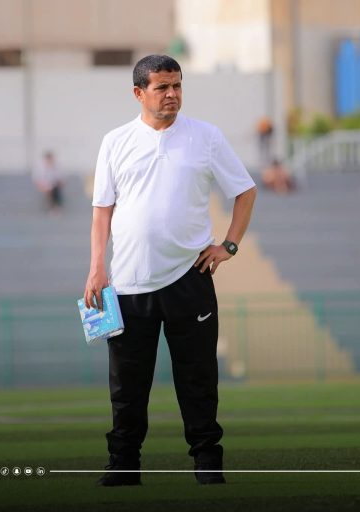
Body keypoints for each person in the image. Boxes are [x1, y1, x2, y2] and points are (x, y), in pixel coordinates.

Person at [84, 55, 257, 487]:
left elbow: (245, 191)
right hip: (127, 283)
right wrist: (96, 269)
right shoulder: (115, 141)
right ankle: (123, 465)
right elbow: (102, 211)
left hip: (189, 278)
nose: (172, 94)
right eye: (162, 87)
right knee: (127, 386)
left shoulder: (206, 136)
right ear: (138, 93)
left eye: (177, 85)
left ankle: (208, 462)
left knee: (198, 379)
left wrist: (229, 245)